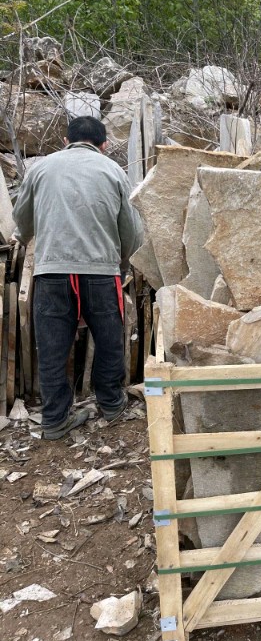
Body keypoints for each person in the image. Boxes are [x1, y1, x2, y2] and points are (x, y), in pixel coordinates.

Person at [12, 116, 144, 440]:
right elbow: (132, 231)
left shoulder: (41, 168)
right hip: (100, 272)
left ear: (66, 142)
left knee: (53, 347)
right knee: (109, 340)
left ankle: (55, 420)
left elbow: (22, 220)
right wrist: (121, 264)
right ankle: (111, 404)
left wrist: (28, 236)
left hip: (51, 272)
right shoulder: (114, 171)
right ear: (104, 145)